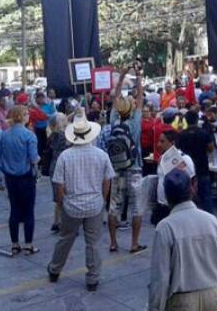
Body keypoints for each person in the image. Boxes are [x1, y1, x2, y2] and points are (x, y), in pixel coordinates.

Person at [148, 168, 217, 311]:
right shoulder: (211, 220)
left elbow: (160, 278)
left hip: (182, 301)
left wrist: (155, 306)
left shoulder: (165, 228)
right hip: (213, 297)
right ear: (192, 189)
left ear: (167, 197)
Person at [47, 110, 115, 290]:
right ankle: (93, 279)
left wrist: (61, 203)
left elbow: (59, 185)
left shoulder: (65, 156)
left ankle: (54, 270)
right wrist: (102, 198)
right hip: (94, 204)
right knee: (93, 243)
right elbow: (107, 180)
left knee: (65, 239)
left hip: (72, 205)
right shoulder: (101, 155)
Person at [107, 67, 147, 254]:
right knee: (136, 208)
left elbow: (115, 96)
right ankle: (134, 243)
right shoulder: (135, 123)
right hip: (135, 168)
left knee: (113, 206)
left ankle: (113, 243)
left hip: (115, 169)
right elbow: (140, 98)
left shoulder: (114, 120)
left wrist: (122, 76)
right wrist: (138, 77)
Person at [0, 106, 40, 256]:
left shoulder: (4, 135)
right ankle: (28, 245)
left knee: (14, 210)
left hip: (10, 177)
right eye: (27, 113)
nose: (28, 116)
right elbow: (33, 158)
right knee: (29, 211)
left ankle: (15, 244)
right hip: (26, 176)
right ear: (22, 116)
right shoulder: (29, 136)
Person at [153, 130, 196, 225]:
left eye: (162, 141)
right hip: (162, 205)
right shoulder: (162, 158)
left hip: (178, 207)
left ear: (172, 143)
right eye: (159, 141)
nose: (159, 144)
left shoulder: (184, 159)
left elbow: (192, 182)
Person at [177, 110, 214, 213]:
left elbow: (177, 150)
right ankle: (209, 219)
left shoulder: (181, 135)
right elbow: (211, 148)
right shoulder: (203, 133)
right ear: (197, 120)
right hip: (202, 167)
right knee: (206, 197)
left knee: (187, 199)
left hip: (187, 170)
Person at [47, 113, 69, 232]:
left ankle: (56, 221)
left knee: (58, 196)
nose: (66, 119)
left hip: (53, 166)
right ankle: (63, 224)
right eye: (63, 118)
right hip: (62, 166)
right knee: (63, 196)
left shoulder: (52, 134)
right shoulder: (63, 135)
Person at [140, 104, 156, 176]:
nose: (145, 113)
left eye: (147, 111)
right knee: (144, 166)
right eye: (143, 111)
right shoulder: (140, 121)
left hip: (151, 148)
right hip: (143, 148)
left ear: (150, 112)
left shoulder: (153, 121)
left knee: (150, 165)